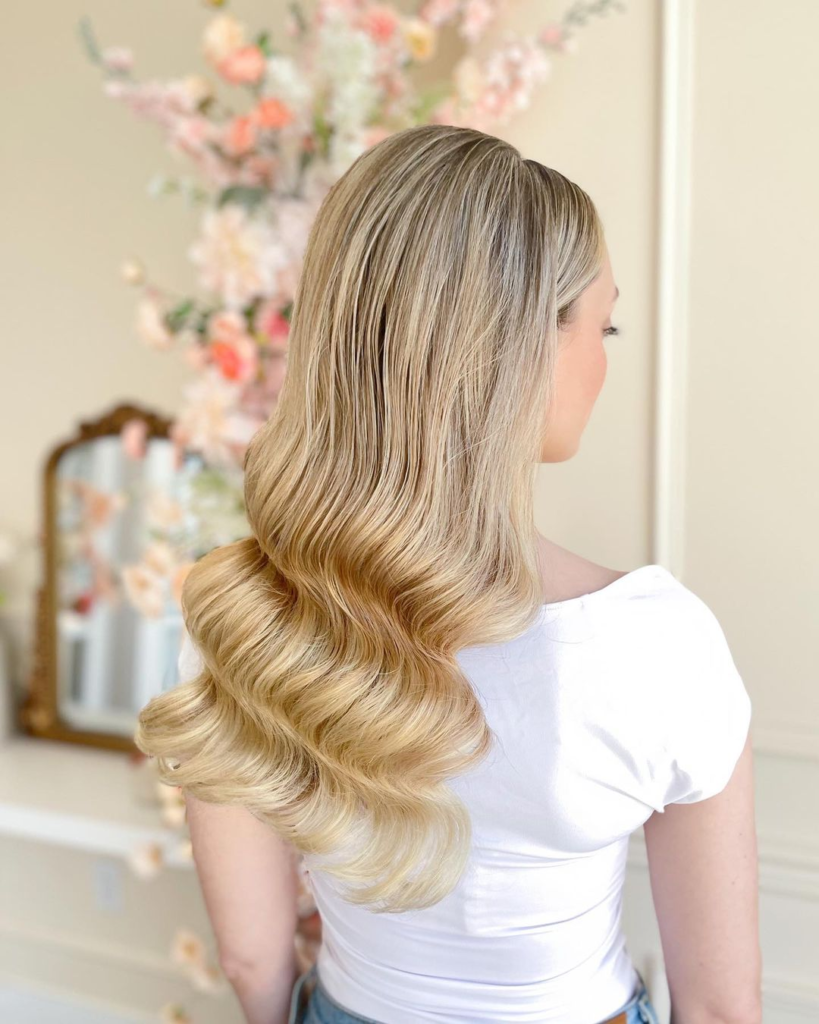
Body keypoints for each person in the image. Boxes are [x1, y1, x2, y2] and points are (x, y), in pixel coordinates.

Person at [136, 124, 762, 1024]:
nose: (602, 359)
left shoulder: (243, 614)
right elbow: (718, 1006)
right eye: (603, 324)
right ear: (520, 349)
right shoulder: (654, 642)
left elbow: (250, 957)